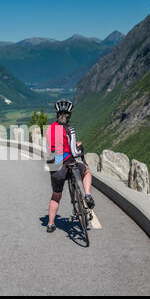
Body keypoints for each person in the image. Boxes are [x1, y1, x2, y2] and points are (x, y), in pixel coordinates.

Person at [45, 100, 95, 233]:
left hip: (54, 167)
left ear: (56, 114)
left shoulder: (49, 129)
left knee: (56, 195)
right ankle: (88, 195)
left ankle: (50, 224)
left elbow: (49, 149)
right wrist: (80, 147)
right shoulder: (69, 129)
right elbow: (74, 152)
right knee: (86, 171)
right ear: (69, 115)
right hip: (68, 164)